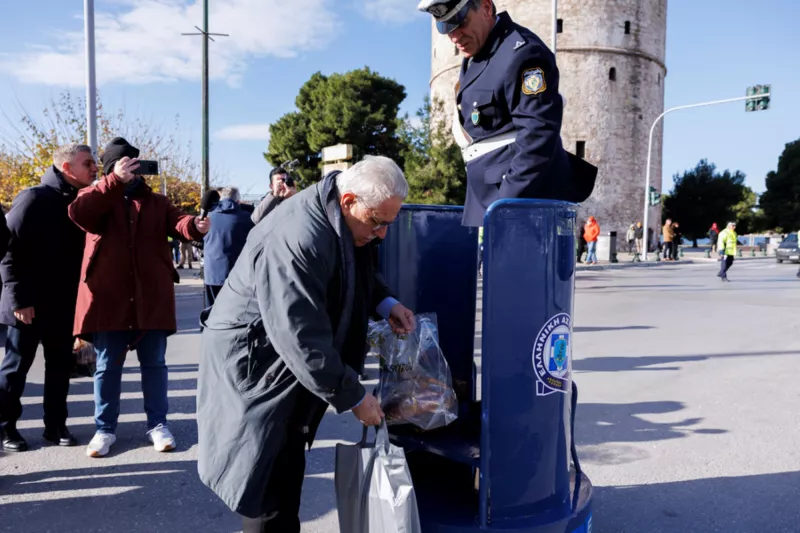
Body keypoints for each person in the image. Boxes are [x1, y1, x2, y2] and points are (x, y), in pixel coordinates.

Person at [197, 156, 416, 532]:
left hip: (279, 359)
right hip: (258, 365)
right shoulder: (299, 235)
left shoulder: (343, 216)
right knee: (265, 474)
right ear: (349, 201)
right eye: (378, 222)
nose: (381, 234)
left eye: (388, 224)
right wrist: (353, 396)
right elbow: (299, 334)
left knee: (285, 460)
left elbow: (359, 266)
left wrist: (386, 303)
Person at [68, 137, 211, 458]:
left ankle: (158, 425)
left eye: (136, 164)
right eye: (126, 164)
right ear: (112, 168)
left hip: (150, 297)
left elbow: (179, 222)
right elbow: (79, 212)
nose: (135, 170)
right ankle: (104, 429)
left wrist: (195, 226)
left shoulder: (156, 201)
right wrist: (113, 182)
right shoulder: (95, 195)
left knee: (155, 365)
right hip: (108, 299)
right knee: (107, 367)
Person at [417, 0, 597, 227]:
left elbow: (538, 136)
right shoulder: (478, 54)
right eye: (446, 28)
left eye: (461, 22)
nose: (454, 37)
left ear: (485, 7)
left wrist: (506, 205)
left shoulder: (524, 53)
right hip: (485, 197)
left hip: (518, 201)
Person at [0, 143, 97, 452]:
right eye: (88, 163)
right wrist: (19, 300)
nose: (95, 168)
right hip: (26, 305)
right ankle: (5, 428)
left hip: (62, 305)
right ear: (67, 168)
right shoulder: (33, 198)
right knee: (16, 369)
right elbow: (8, 251)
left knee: (58, 368)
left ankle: (55, 425)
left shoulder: (82, 202)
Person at [203, 186, 254, 307]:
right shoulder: (247, 218)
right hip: (237, 275)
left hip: (212, 273)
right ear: (238, 200)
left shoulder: (207, 216)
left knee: (211, 311)